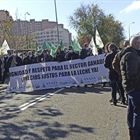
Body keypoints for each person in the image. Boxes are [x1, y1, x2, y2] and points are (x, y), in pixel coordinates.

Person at [120, 35, 140, 140]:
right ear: (136, 43)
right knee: (137, 113)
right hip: (134, 88)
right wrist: (138, 87)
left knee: (132, 111)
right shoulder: (131, 55)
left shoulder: (128, 54)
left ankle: (132, 133)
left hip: (130, 88)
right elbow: (132, 75)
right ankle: (136, 135)